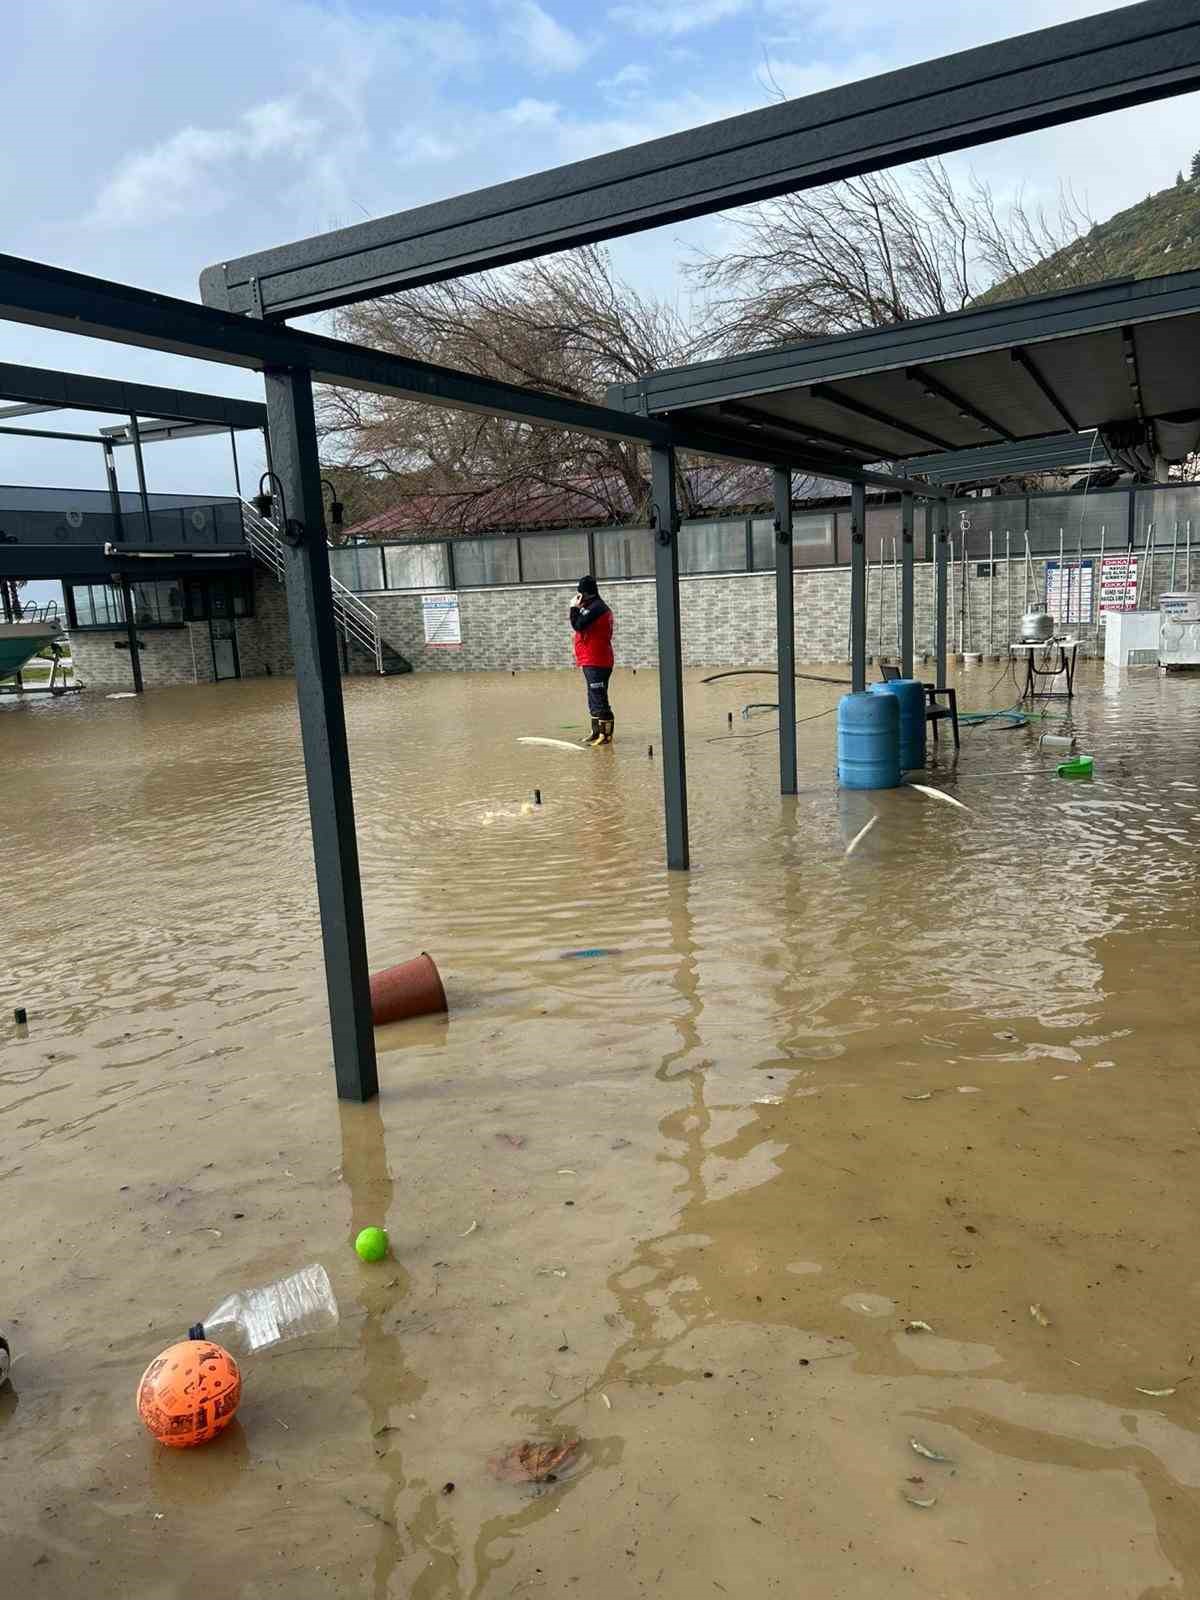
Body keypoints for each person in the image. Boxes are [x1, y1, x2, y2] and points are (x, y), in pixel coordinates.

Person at [569, 575, 615, 746]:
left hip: (598, 660)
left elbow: (578, 625)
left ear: (586, 593)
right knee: (593, 697)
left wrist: (573, 608)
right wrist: (579, 607)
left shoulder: (597, 608)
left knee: (599, 697)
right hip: (590, 659)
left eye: (580, 593)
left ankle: (606, 736)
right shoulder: (591, 607)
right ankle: (596, 732)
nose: (579, 596)